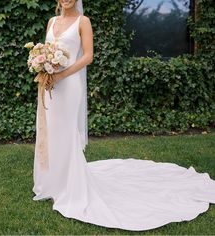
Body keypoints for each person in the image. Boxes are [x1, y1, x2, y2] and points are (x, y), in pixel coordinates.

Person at [32, 0, 215, 231]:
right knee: (50, 130)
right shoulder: (51, 21)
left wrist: (62, 74)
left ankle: (70, 186)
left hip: (69, 87)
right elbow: (46, 51)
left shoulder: (83, 21)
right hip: (49, 86)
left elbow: (88, 56)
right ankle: (52, 183)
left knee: (67, 132)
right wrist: (43, 66)